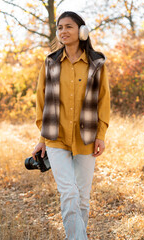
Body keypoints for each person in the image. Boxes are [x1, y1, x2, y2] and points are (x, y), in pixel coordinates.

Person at [31, 11, 110, 239]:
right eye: (59, 28)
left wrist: (101, 134)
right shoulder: (50, 63)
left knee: (82, 197)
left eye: (68, 27)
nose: (63, 31)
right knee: (68, 192)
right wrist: (42, 139)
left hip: (87, 138)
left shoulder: (96, 63)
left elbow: (103, 101)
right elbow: (41, 101)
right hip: (56, 138)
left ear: (81, 31)